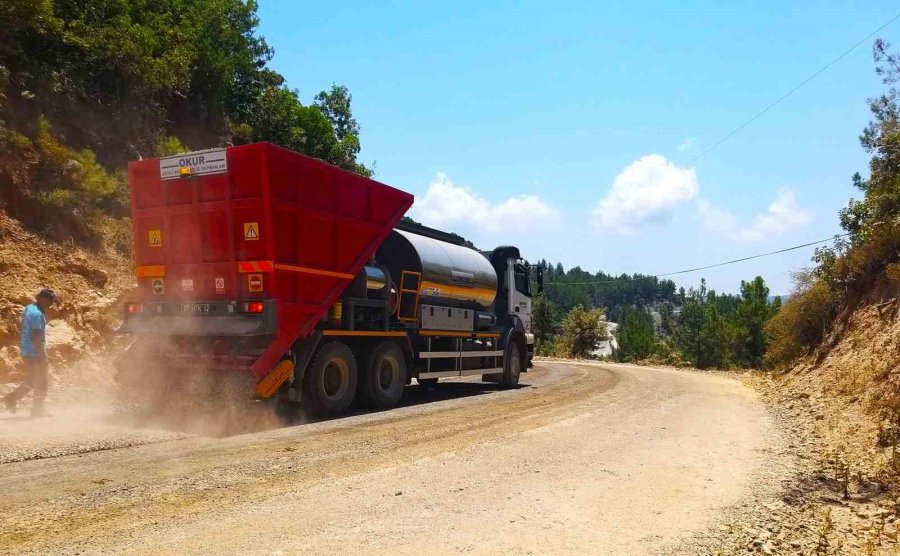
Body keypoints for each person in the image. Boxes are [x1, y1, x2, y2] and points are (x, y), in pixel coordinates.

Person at [4, 288, 60, 416]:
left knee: (32, 380)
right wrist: (43, 355)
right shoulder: (37, 314)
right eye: (50, 301)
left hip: (26, 350)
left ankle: (12, 398)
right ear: (42, 299)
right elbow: (36, 337)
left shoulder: (30, 307)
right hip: (34, 353)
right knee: (42, 380)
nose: (51, 305)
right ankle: (37, 409)